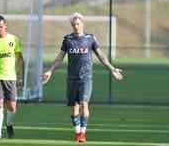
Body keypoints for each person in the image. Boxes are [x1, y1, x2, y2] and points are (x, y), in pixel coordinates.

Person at [42, 12, 123, 143]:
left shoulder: (90, 39)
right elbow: (59, 58)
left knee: (84, 103)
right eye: (74, 25)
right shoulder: (68, 40)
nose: (76, 27)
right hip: (72, 79)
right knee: (74, 107)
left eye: (78, 24)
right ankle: (78, 132)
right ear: (71, 25)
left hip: (86, 77)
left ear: (82, 24)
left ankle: (83, 133)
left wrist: (112, 69)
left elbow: (101, 56)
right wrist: (50, 71)